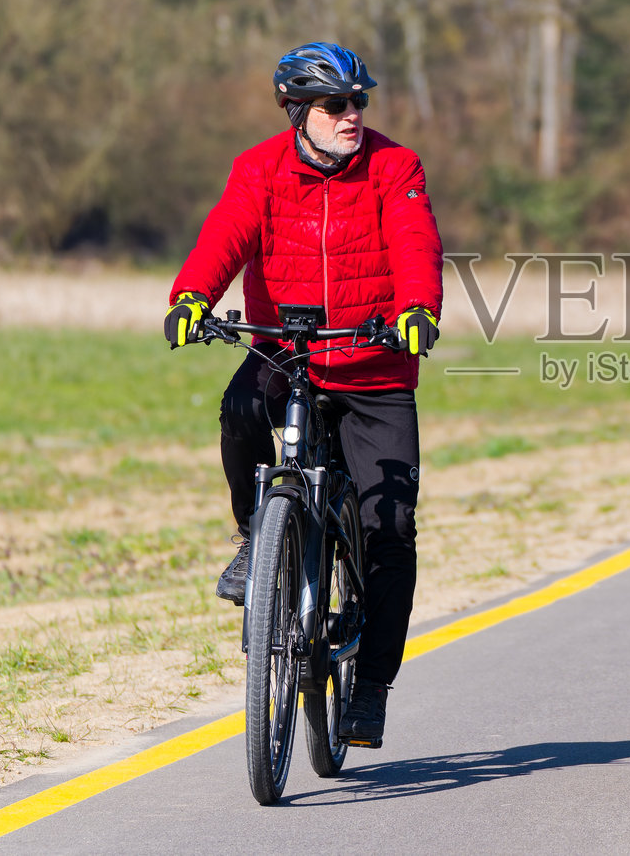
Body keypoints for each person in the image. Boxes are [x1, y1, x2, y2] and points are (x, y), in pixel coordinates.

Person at [164, 42, 443, 744]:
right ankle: (254, 539)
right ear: (297, 112)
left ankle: (372, 685)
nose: (352, 115)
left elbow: (416, 242)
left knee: (391, 529)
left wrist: (417, 307)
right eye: (334, 105)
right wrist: (193, 294)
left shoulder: (394, 165)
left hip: (373, 366)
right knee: (237, 410)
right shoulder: (259, 169)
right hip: (285, 351)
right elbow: (225, 235)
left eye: (359, 101)